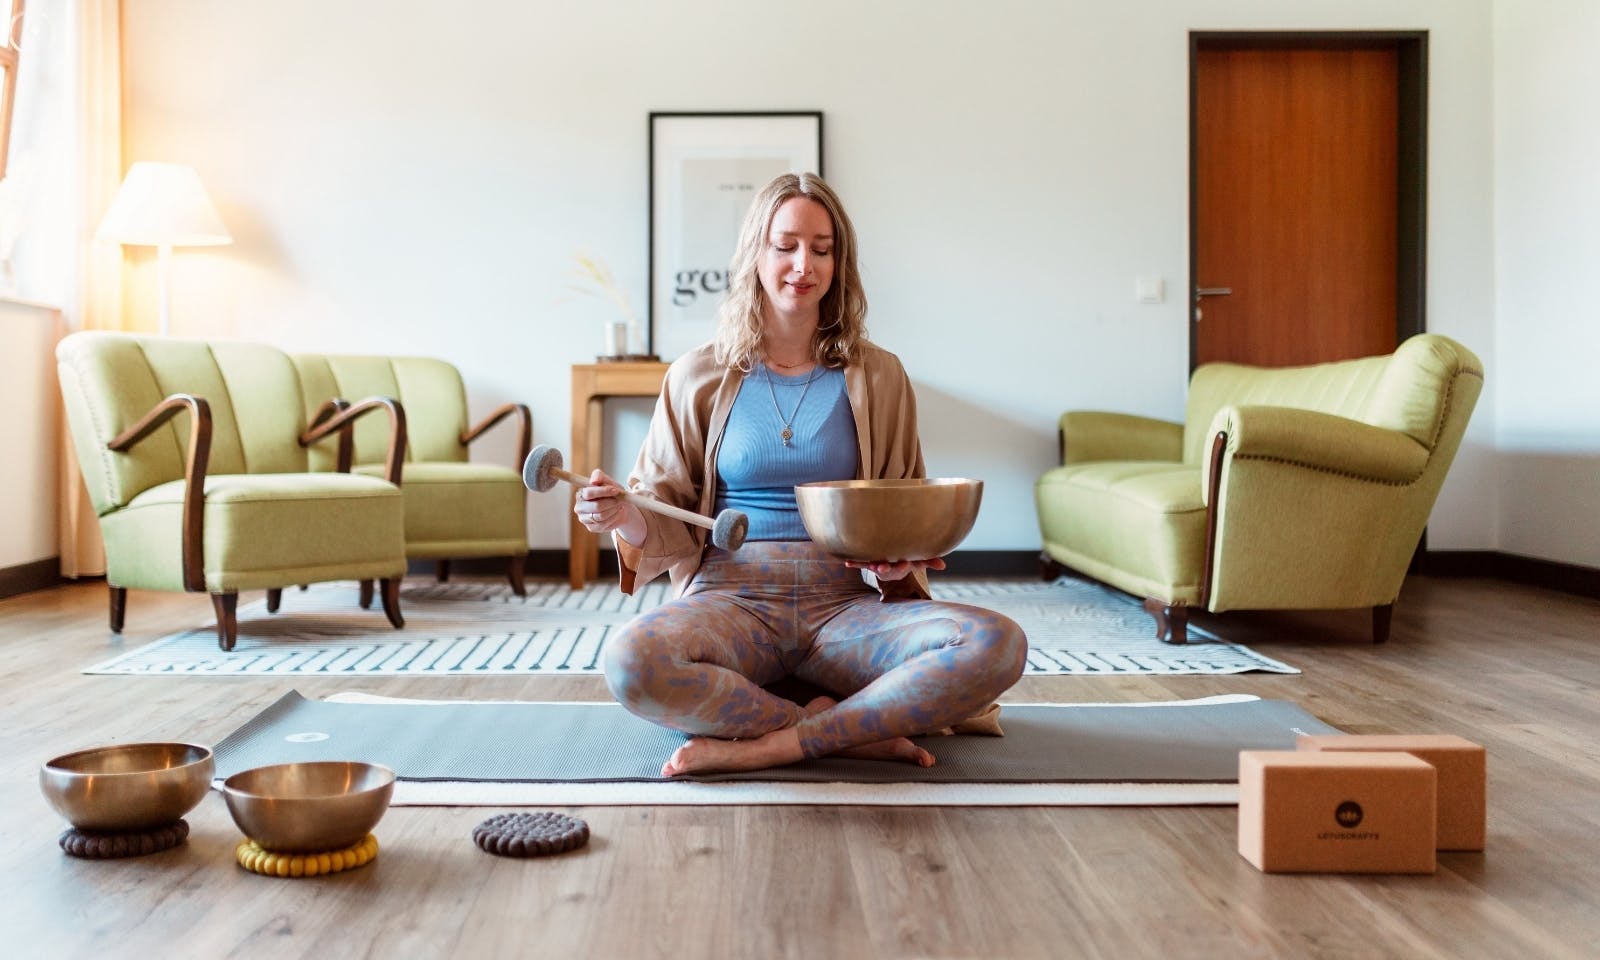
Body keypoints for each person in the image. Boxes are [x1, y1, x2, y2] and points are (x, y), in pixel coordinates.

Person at [573, 172, 1027, 777]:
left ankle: (774, 743)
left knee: (997, 643)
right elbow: (662, 512)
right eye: (785, 245)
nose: (803, 265)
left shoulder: (881, 376)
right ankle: (848, 731)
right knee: (631, 661)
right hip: (730, 601)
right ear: (755, 255)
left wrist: (897, 560)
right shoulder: (695, 375)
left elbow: (900, 512)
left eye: (822, 248)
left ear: (840, 262)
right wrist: (622, 514)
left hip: (845, 607)